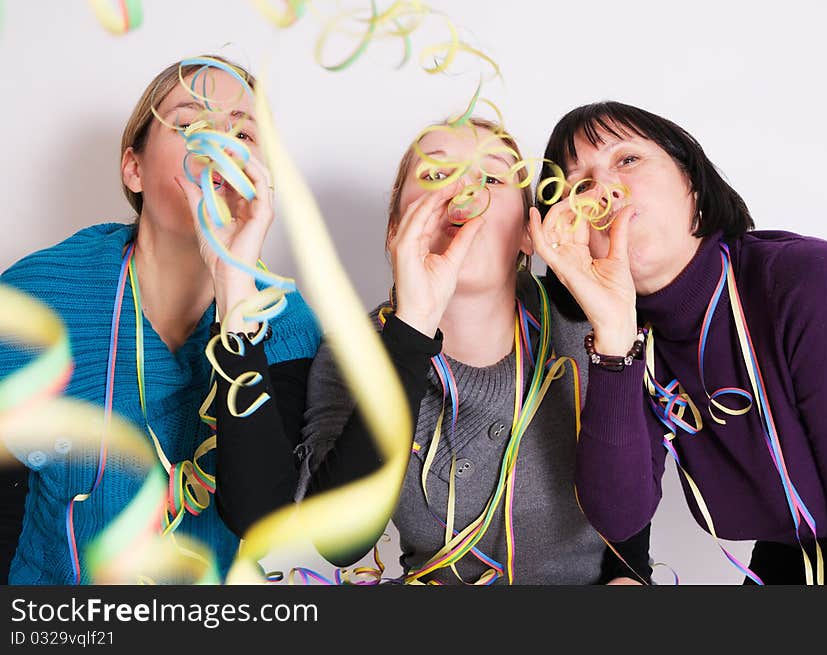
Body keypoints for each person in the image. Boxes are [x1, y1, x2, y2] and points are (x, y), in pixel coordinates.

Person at [215, 118, 653, 585]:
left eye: (489, 177)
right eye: (436, 176)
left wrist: (631, 577)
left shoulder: (585, 320)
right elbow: (342, 542)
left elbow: (627, 514)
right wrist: (413, 326)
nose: (463, 192)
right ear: (395, 229)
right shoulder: (357, 350)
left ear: (530, 234)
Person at [0, 55, 321, 584]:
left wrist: (234, 286)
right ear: (134, 167)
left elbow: (260, 515)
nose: (220, 144)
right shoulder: (41, 295)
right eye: (192, 122)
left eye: (243, 131)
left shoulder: (286, 322)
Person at [530, 101, 827, 584]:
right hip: (795, 561)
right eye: (579, 185)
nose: (603, 190)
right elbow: (618, 516)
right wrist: (613, 336)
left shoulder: (808, 282)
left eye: (627, 160)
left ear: (692, 183)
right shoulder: (632, 338)